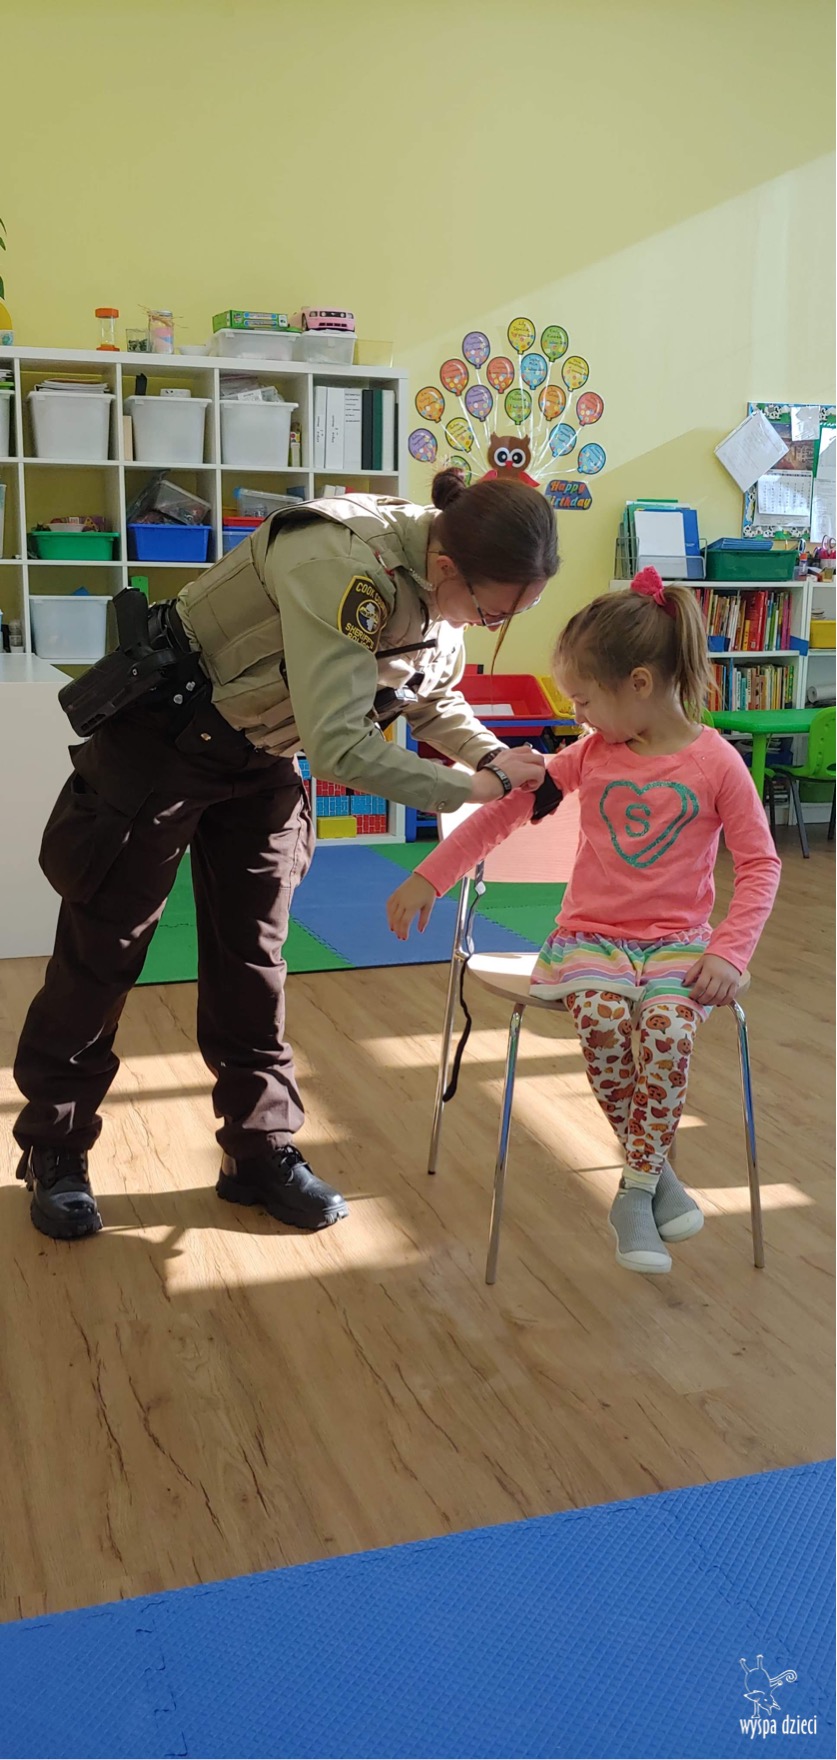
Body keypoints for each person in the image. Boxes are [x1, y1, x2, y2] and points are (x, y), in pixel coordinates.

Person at [13, 470, 559, 1243]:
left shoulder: (447, 579)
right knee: (104, 948)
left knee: (254, 956)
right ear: (446, 567)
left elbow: (430, 693)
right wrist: (469, 786)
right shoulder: (337, 561)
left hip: (262, 753)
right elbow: (339, 744)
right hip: (164, 740)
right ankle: (56, 1148)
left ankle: (259, 1149)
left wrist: (495, 755)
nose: (489, 624)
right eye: (492, 612)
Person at [387, 567, 782, 1275]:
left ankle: (633, 1190)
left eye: (585, 699)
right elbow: (504, 813)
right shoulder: (588, 756)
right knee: (601, 1021)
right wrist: (430, 875)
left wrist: (729, 951)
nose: (578, 716)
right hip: (589, 938)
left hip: (679, 944)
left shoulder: (717, 764)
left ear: (639, 683)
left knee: (667, 1032)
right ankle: (654, 1177)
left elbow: (759, 863)